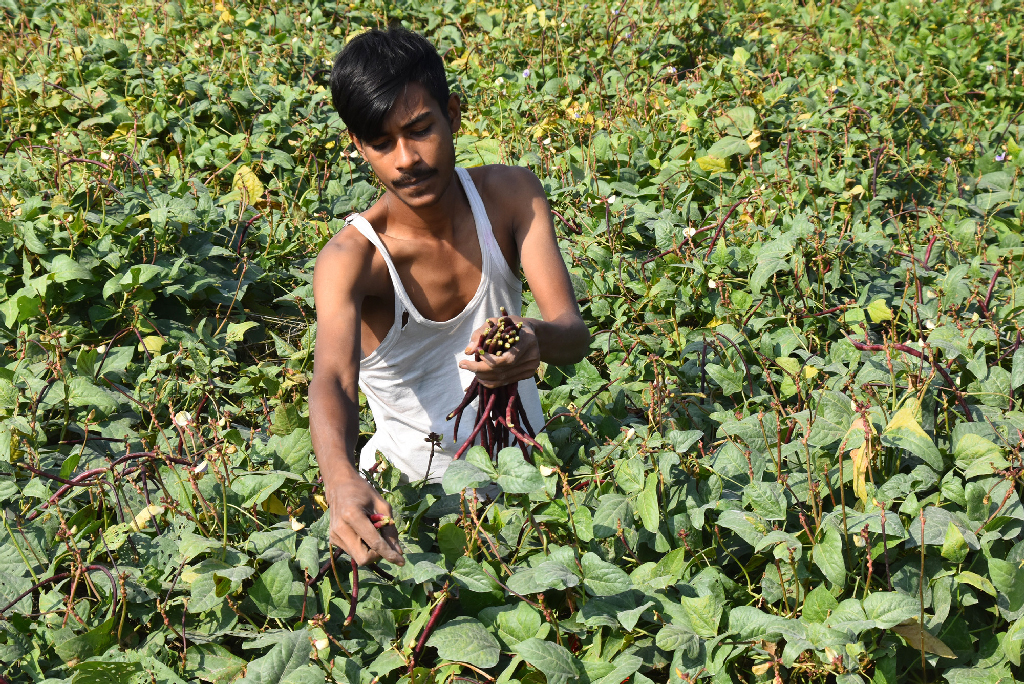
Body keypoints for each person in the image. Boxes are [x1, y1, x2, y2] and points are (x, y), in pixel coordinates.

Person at [310, 26, 590, 568]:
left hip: (527, 487)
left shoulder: (511, 197)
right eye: (381, 143)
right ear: (358, 147)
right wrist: (341, 481)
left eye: (420, 130)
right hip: (410, 512)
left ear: (453, 115)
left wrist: (534, 339)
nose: (406, 159)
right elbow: (333, 380)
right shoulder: (352, 260)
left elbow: (572, 334)